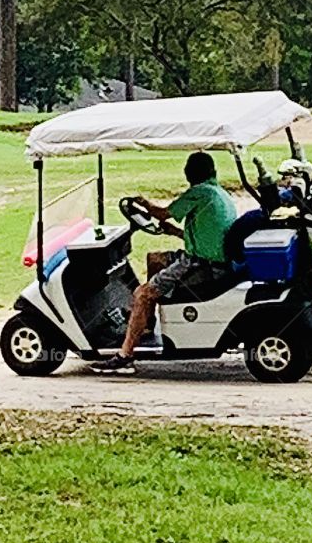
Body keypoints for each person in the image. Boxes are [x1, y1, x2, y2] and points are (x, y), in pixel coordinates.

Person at [93, 151, 237, 375]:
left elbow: (162, 213)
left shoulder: (199, 192)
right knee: (155, 259)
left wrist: (144, 203)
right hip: (208, 259)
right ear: (213, 172)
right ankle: (146, 322)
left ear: (188, 173)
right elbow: (208, 236)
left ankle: (125, 355)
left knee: (142, 293)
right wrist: (176, 232)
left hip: (200, 265)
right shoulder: (219, 193)